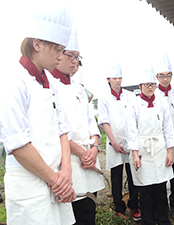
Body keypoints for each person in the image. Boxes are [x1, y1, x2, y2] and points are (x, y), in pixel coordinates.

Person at [0, 4, 76, 224]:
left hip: (56, 178)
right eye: (59, 50)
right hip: (29, 182)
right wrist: (56, 180)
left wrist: (66, 171)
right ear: (37, 44)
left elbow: (62, 128)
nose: (62, 57)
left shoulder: (50, 81)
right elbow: (17, 143)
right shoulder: (14, 80)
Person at [48, 26, 105, 225]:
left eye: (77, 57)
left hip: (88, 158)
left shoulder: (79, 88)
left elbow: (92, 123)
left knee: (89, 210)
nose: (74, 61)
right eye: (70, 56)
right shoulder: (49, 87)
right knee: (71, 213)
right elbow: (56, 128)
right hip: (69, 160)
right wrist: (82, 153)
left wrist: (95, 148)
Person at [126, 66, 174, 225]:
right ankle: (148, 221)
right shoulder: (133, 104)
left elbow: (168, 129)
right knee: (145, 191)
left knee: (161, 189)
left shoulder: (162, 102)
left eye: (152, 85)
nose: (150, 88)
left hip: (160, 149)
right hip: (142, 150)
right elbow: (131, 131)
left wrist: (170, 152)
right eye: (146, 85)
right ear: (140, 86)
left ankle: (163, 220)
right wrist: (135, 155)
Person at [98, 61, 141, 221]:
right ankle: (118, 206)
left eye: (120, 77)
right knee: (116, 176)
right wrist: (113, 142)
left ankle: (134, 205)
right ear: (108, 79)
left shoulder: (130, 96)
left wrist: (132, 141)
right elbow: (104, 121)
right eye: (114, 78)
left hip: (130, 142)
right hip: (113, 143)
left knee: (133, 175)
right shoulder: (104, 98)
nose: (117, 81)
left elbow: (134, 118)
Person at [154, 56, 174, 220]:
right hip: (161, 143)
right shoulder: (154, 95)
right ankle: (161, 208)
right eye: (162, 76)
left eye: (168, 75)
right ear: (156, 77)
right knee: (160, 177)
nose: (165, 79)